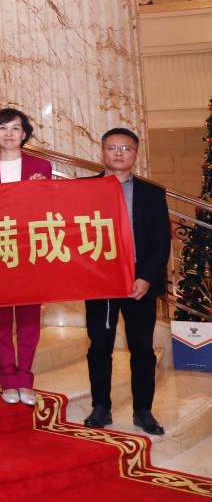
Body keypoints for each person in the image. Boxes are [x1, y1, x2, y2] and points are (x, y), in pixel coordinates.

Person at [84, 128, 171, 436]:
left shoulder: (152, 193)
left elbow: (161, 241)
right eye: (112, 148)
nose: (119, 153)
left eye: (126, 148)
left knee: (142, 349)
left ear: (135, 153)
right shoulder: (84, 190)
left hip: (139, 280)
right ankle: (101, 406)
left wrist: (146, 277)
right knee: (100, 346)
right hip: (100, 280)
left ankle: (143, 410)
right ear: (102, 152)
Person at [0, 107, 52, 407]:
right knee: (0, 321)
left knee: (28, 321)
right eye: (2, 128)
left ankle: (25, 378)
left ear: (24, 133)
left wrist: (41, 190)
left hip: (29, 251)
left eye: (15, 128)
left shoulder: (41, 166)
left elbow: (51, 209)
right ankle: (8, 380)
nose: (8, 134)